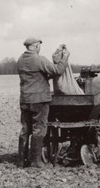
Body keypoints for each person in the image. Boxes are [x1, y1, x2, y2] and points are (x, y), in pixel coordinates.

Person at [17, 37, 70, 168]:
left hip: (25, 99)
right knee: (38, 129)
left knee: (25, 129)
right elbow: (57, 70)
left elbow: (36, 76)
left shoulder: (20, 60)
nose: (39, 48)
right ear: (35, 46)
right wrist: (65, 58)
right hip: (39, 100)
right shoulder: (39, 59)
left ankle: (21, 161)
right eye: (39, 46)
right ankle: (35, 162)